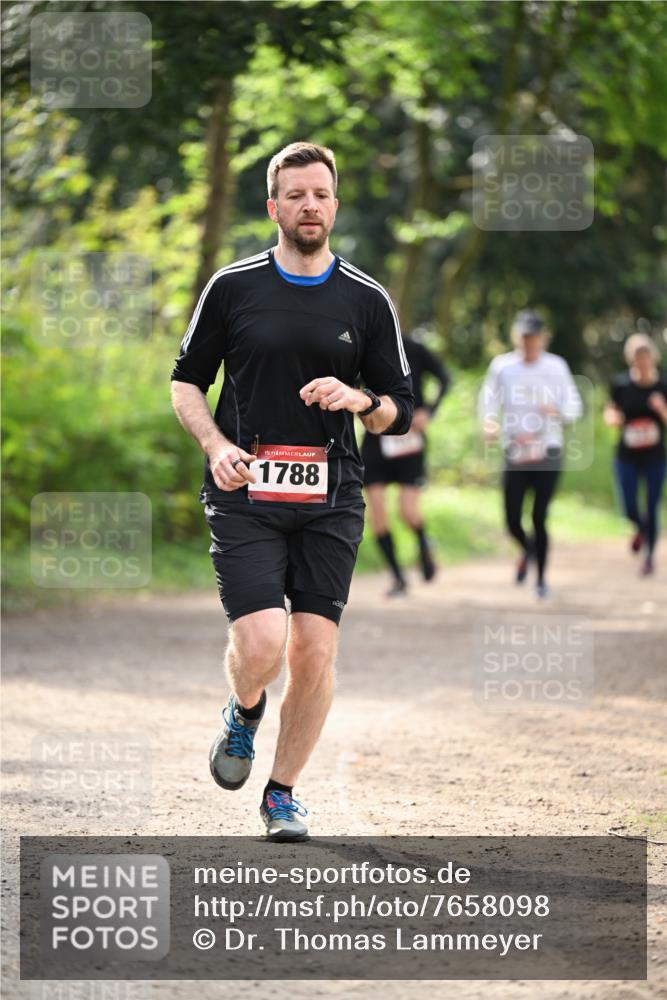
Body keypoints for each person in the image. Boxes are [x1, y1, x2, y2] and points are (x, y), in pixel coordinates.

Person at [170, 142, 413, 841]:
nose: (311, 205)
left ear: (335, 205)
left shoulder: (365, 299)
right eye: (297, 194)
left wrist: (359, 399)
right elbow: (187, 380)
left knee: (312, 652)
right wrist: (215, 446)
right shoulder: (233, 287)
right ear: (273, 205)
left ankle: (281, 793)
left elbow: (398, 407)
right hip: (246, 490)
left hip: (331, 498)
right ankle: (244, 710)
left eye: (322, 194)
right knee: (262, 644)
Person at [478, 310, 583, 599]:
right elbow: (487, 400)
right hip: (516, 449)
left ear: (543, 338)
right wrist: (489, 422)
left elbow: (574, 406)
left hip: (547, 449)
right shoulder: (503, 366)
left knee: (539, 516)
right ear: (516, 337)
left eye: (533, 337)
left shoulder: (556, 367)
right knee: (512, 519)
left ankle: (541, 580)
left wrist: (557, 411)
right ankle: (528, 550)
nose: (529, 343)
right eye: (524, 337)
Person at [362, 335, 449, 595]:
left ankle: (424, 544)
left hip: (410, 437)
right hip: (376, 440)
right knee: (377, 511)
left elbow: (445, 377)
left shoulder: (414, 349)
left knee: (407, 511)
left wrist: (429, 411)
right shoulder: (362, 346)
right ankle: (398, 577)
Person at [604, 333, 667, 576]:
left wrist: (661, 410)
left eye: (646, 357)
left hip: (654, 456)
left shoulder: (662, 387)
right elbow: (610, 410)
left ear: (653, 358)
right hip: (626, 456)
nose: (641, 363)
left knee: (652, 505)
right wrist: (612, 418)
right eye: (636, 358)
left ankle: (649, 556)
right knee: (629, 506)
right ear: (631, 360)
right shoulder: (621, 385)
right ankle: (640, 528)